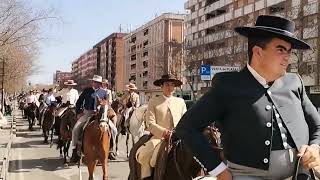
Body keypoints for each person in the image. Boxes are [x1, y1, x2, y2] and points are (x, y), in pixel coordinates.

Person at [175, 15, 320, 180]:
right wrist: (219, 171)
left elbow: (317, 124)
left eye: (289, 51)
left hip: (300, 174)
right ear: (258, 52)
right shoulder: (228, 86)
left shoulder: (295, 82)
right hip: (248, 176)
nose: (287, 57)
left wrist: (315, 147)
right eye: (280, 50)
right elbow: (187, 128)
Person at [135, 74, 187, 179]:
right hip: (159, 138)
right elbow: (150, 123)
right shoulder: (153, 101)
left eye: (172, 85)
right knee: (144, 155)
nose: (170, 87)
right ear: (161, 86)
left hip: (179, 138)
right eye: (167, 85)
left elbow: (185, 120)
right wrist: (164, 132)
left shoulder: (180, 102)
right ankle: (146, 177)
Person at [70, 75, 108, 163]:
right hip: (87, 113)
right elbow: (79, 101)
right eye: (95, 82)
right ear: (92, 82)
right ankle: (75, 150)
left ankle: (110, 149)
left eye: (98, 83)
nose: (96, 84)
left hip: (100, 115)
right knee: (76, 129)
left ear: (101, 84)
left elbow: (106, 104)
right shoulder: (87, 91)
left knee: (113, 129)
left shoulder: (104, 92)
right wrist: (79, 112)